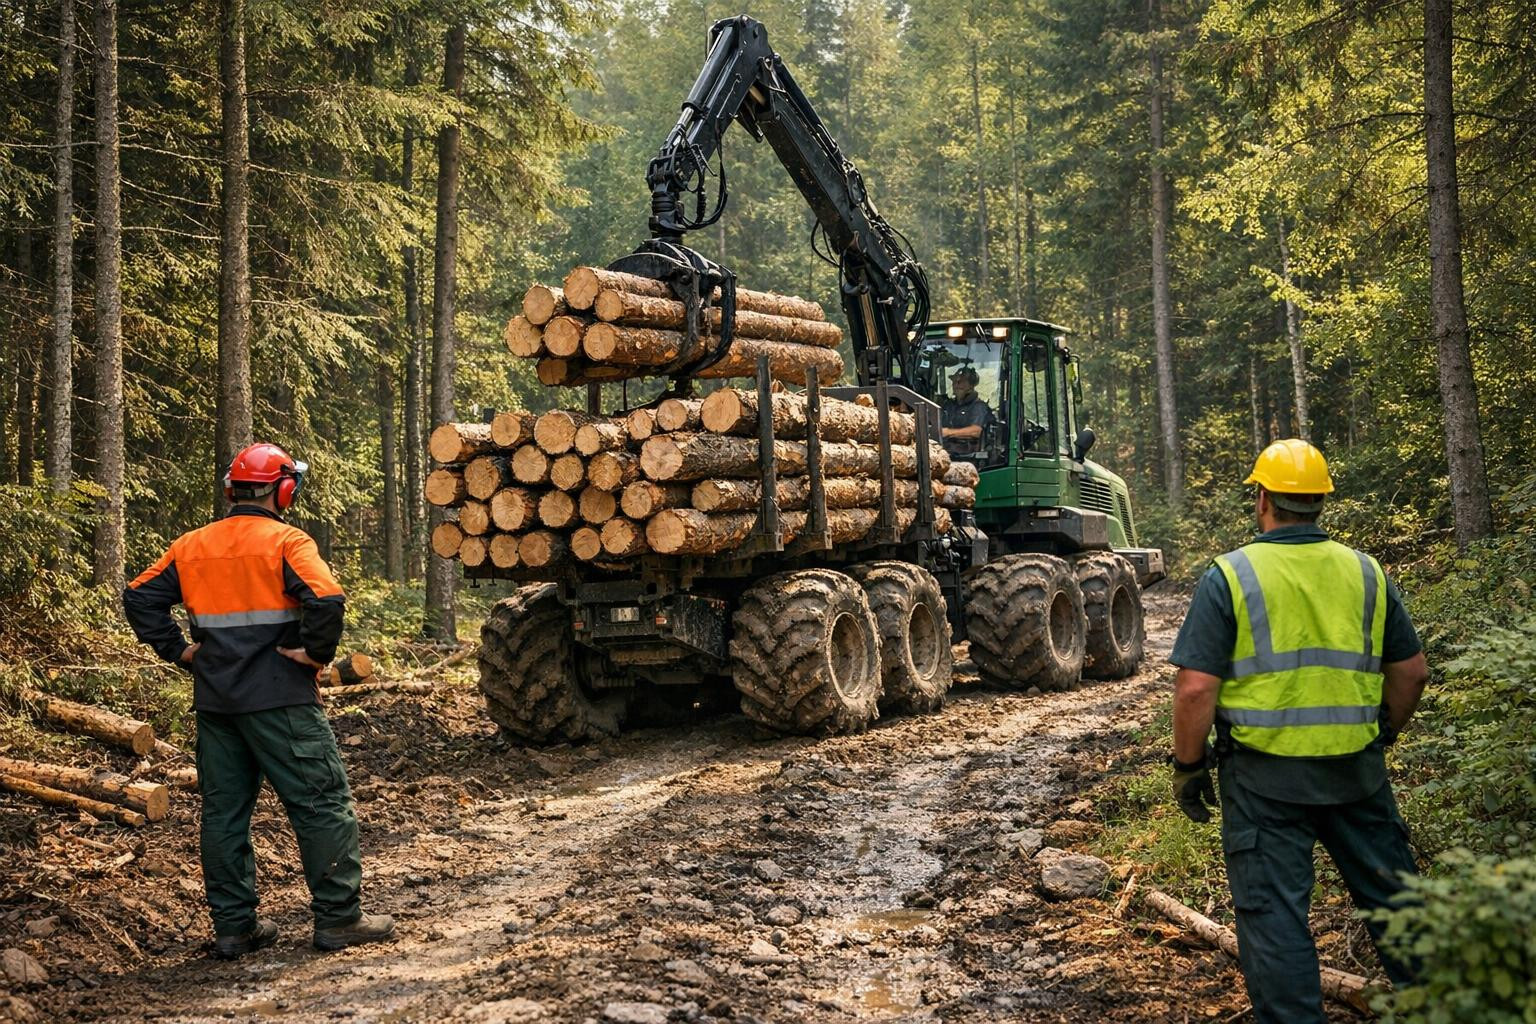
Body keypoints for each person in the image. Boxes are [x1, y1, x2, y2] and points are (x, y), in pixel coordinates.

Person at [1168, 438, 1429, 1023]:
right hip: (1357, 774)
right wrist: (1381, 732)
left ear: (1262, 499)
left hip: (1265, 785)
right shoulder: (1365, 571)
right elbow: (1410, 674)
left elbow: (1194, 689)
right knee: (1398, 906)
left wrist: (1188, 767)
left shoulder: (1231, 575)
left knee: (1275, 919)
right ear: (1320, 503)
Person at [123, 443, 394, 959]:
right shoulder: (288, 541)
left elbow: (139, 596)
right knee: (321, 804)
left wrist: (180, 651)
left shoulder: (192, 545)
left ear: (234, 489)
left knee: (224, 815)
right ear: (283, 489)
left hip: (218, 703)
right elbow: (328, 599)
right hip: (283, 702)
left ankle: (234, 928)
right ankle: (339, 918)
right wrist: (314, 653)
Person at [940, 367, 995, 455]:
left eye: (961, 381)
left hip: (969, 456)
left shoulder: (978, 406)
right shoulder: (948, 406)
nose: (957, 384)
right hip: (946, 452)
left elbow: (976, 431)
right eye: (954, 381)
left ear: (971, 385)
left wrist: (948, 432)